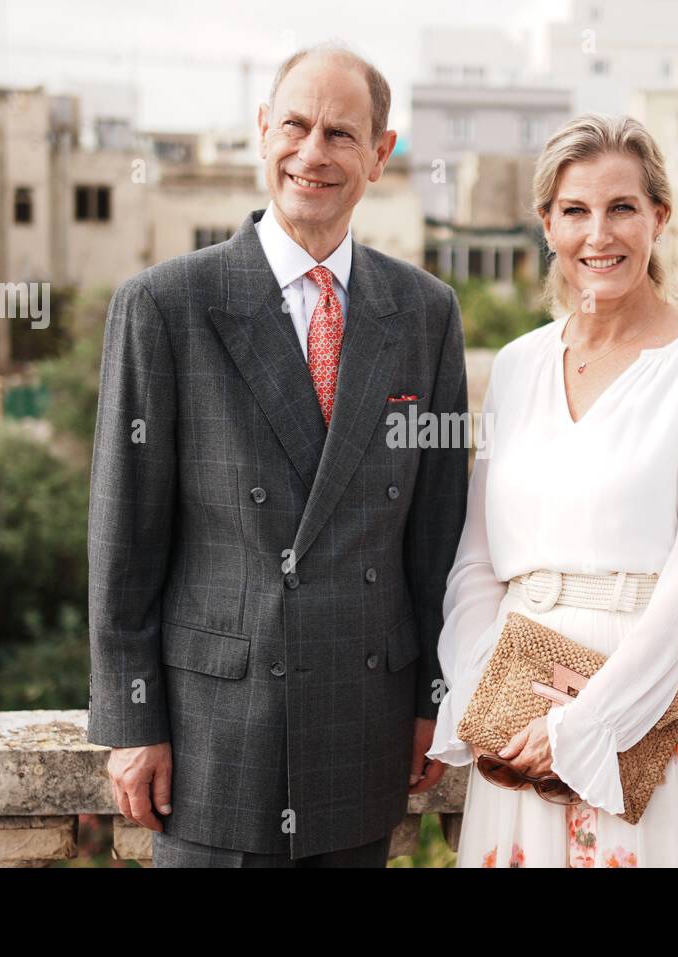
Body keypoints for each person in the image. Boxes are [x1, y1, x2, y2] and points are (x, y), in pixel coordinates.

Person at [86, 43, 467, 867]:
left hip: (363, 725)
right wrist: (131, 719)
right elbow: (124, 537)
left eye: (340, 133)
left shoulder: (426, 313)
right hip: (210, 737)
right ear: (263, 132)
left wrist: (436, 694)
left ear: (380, 154)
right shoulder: (164, 306)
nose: (313, 152)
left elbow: (438, 533)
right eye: (295, 125)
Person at [426, 113, 678, 867]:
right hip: (519, 703)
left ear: (659, 218)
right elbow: (477, 559)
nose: (597, 234)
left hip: (651, 705)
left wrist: (587, 725)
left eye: (622, 208)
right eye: (575, 210)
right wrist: (485, 691)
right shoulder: (516, 365)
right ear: (547, 223)